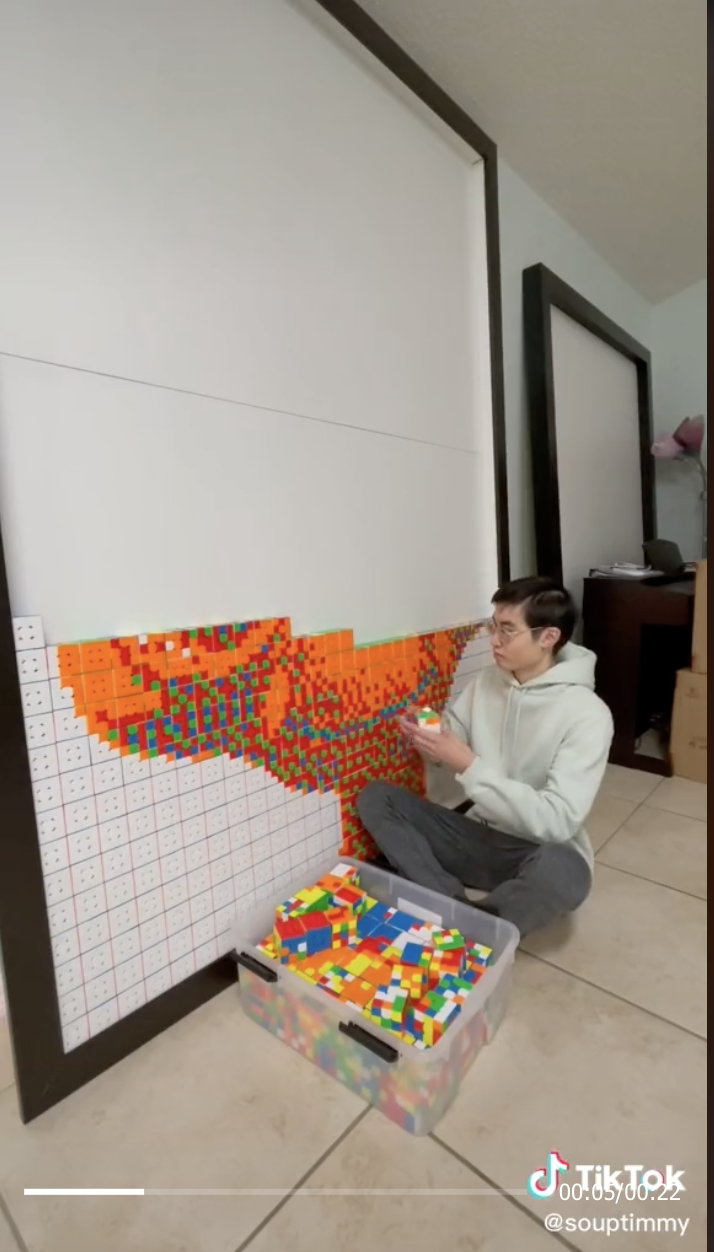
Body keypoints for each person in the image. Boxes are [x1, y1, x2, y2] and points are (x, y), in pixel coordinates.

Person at [357, 577, 614, 937]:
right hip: (477, 833)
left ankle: (480, 924)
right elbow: (455, 736)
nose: (494, 640)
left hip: (534, 851)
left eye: (507, 630)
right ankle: (455, 908)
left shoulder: (588, 715)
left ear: (548, 637)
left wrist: (467, 764)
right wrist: (430, 733)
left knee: (565, 872)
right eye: (493, 626)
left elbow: (557, 821)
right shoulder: (489, 681)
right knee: (377, 797)